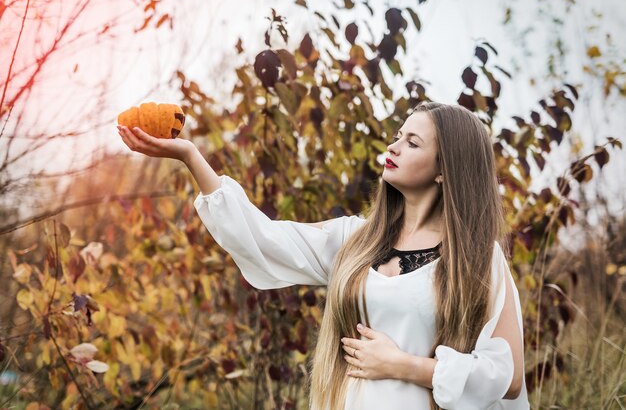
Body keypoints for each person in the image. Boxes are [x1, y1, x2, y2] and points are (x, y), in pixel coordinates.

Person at [117, 101, 530, 410]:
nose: (394, 145)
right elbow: (264, 238)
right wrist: (191, 157)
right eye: (398, 135)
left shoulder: (477, 259)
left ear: (445, 168)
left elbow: (506, 376)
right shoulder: (355, 239)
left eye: (412, 141)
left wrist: (405, 366)